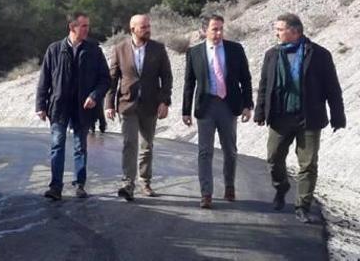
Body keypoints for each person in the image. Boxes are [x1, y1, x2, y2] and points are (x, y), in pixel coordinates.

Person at [254, 13, 345, 224]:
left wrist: (337, 115)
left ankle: (302, 206)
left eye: (279, 29)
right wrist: (260, 112)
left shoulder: (320, 55)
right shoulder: (272, 54)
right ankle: (281, 187)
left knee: (308, 164)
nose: (276, 33)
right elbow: (264, 85)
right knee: (273, 159)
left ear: (295, 31)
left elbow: (332, 87)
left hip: (309, 118)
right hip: (280, 117)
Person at [36, 12, 110, 200]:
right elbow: (44, 79)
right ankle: (55, 187)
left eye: (88, 26)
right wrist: (40, 104)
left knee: (80, 147)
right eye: (83, 26)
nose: (87, 29)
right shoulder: (54, 50)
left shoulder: (94, 50)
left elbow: (105, 79)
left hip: (83, 108)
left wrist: (94, 96)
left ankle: (80, 184)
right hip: (59, 106)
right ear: (72, 27)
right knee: (57, 146)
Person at [182, 14, 253, 209]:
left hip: (228, 105)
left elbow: (245, 79)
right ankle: (206, 193)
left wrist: (248, 105)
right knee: (205, 151)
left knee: (230, 150)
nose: (219, 33)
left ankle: (229, 185)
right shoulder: (194, 52)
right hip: (206, 106)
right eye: (214, 29)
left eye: (221, 28)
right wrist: (185, 111)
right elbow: (189, 82)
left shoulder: (235, 49)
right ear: (204, 31)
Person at [105, 14, 173, 201]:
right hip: (127, 104)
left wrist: (165, 101)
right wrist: (109, 104)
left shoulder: (158, 49)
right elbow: (112, 79)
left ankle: (145, 181)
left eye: (148, 26)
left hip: (151, 105)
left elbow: (166, 77)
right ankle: (128, 184)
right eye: (143, 27)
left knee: (146, 146)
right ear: (132, 28)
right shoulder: (120, 49)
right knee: (129, 144)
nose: (147, 29)